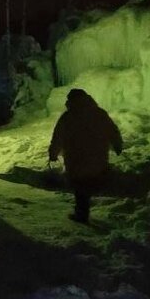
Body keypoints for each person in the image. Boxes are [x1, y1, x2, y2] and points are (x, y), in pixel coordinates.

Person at [48, 88, 123, 223]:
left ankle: (82, 213)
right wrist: (117, 145)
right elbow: (113, 131)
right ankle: (86, 207)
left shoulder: (68, 117)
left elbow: (58, 137)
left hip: (75, 158)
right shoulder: (99, 114)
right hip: (97, 156)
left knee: (80, 186)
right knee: (90, 180)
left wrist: (53, 154)